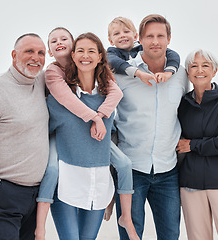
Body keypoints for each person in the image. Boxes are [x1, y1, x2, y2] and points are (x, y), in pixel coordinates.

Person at [35, 28, 138, 240]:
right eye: (80, 51)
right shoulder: (54, 76)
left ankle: (125, 216)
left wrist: (100, 115)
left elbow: (117, 93)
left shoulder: (106, 88)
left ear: (100, 56)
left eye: (91, 51)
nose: (85, 55)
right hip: (67, 174)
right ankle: (40, 229)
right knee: (52, 170)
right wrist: (95, 118)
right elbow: (65, 102)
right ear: (73, 54)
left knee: (125, 164)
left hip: (97, 177)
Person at [113, 14, 189, 240]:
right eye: (150, 36)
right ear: (140, 40)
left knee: (170, 235)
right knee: (130, 236)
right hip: (131, 169)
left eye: (160, 36)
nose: (155, 41)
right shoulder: (122, 73)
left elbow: (191, 110)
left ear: (169, 39)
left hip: (168, 170)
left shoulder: (181, 75)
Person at [0, 33, 49, 240]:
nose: (36, 57)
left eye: (41, 53)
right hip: (4, 191)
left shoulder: (42, 82)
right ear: (14, 55)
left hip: (35, 196)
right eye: (29, 51)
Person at [176, 49, 218, 240]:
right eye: (194, 66)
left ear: (214, 71)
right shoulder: (183, 104)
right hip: (191, 184)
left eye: (205, 65)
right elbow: (176, 141)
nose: (200, 70)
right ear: (188, 73)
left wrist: (193, 145)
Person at [107, 16, 180, 86]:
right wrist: (138, 73)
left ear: (135, 36)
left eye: (126, 31)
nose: (122, 35)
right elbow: (112, 61)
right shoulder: (112, 53)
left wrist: (168, 72)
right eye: (116, 34)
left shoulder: (144, 47)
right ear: (111, 41)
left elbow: (172, 54)